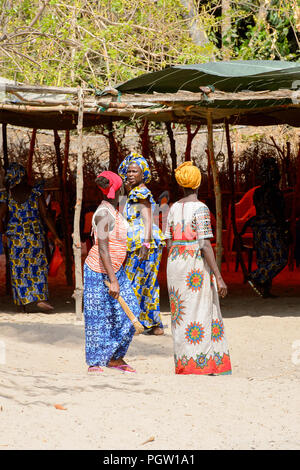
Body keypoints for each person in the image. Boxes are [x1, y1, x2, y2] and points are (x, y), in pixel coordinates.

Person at [165, 161, 232, 375]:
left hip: (175, 263)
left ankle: (185, 363)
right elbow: (204, 244)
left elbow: (168, 241)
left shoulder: (173, 208)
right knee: (200, 310)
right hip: (193, 264)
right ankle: (201, 364)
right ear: (198, 183)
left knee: (180, 314)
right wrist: (218, 276)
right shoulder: (201, 209)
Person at [83, 170, 140, 374]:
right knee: (98, 317)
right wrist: (113, 281)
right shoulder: (103, 214)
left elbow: (124, 196)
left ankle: (115, 358)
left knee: (132, 310)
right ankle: (96, 362)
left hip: (115, 269)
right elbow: (103, 249)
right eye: (121, 185)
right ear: (117, 189)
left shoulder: (115, 208)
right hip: (98, 270)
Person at [0, 163, 62, 313]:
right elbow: (45, 215)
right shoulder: (35, 192)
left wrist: (3, 234)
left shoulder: (7, 194)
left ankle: (22, 302)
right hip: (34, 236)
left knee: (19, 269)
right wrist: (56, 236)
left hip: (16, 237)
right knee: (38, 266)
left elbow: (0, 216)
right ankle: (40, 298)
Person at [118, 152, 165, 335]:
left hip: (144, 245)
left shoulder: (141, 192)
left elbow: (147, 220)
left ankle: (135, 322)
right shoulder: (134, 192)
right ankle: (153, 324)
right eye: (129, 171)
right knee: (147, 282)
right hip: (140, 244)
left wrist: (145, 245)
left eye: (134, 172)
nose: (130, 174)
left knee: (133, 282)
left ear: (143, 174)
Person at [247, 157, 289, 298]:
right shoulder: (275, 193)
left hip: (259, 229)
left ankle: (265, 290)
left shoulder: (257, 192)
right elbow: (279, 213)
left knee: (265, 260)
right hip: (272, 228)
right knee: (280, 258)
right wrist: (285, 229)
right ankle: (256, 276)